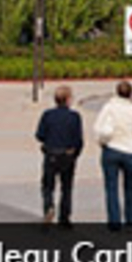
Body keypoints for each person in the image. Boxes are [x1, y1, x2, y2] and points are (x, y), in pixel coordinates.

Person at [94, 81, 132, 231]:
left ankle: (114, 220)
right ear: (131, 94)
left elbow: (98, 128)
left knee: (111, 187)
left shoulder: (109, 108)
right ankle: (131, 219)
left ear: (116, 92)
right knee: (130, 187)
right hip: (131, 151)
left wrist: (101, 142)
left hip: (112, 149)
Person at [35, 85, 84, 227]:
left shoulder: (47, 115)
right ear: (68, 100)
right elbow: (78, 139)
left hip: (51, 153)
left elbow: (40, 135)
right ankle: (65, 218)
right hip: (68, 155)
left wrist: (48, 142)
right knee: (66, 187)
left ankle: (48, 207)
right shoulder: (75, 117)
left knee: (48, 186)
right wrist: (75, 154)